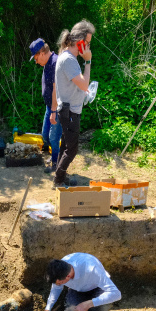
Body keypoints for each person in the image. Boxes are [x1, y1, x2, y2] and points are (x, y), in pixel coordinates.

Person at [53, 20, 95, 187]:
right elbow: (84, 84)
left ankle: (60, 177)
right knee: (72, 149)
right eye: (88, 43)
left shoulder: (68, 57)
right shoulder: (69, 60)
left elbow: (79, 86)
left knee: (65, 145)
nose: (89, 47)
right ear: (80, 41)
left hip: (69, 109)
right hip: (70, 111)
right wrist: (88, 61)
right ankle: (58, 180)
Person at [36, 253, 120, 311]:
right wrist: (47, 310)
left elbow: (116, 294)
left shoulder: (91, 269)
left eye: (60, 283)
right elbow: (55, 289)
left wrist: (88, 304)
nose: (58, 285)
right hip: (78, 289)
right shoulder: (59, 269)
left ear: (68, 276)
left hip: (98, 288)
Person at [29, 38, 62, 174]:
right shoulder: (47, 63)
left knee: (54, 138)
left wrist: (54, 111)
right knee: (45, 136)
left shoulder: (55, 63)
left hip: (58, 108)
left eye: (36, 58)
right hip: (49, 107)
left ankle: (56, 164)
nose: (36, 62)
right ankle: (55, 157)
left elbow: (56, 89)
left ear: (42, 53)